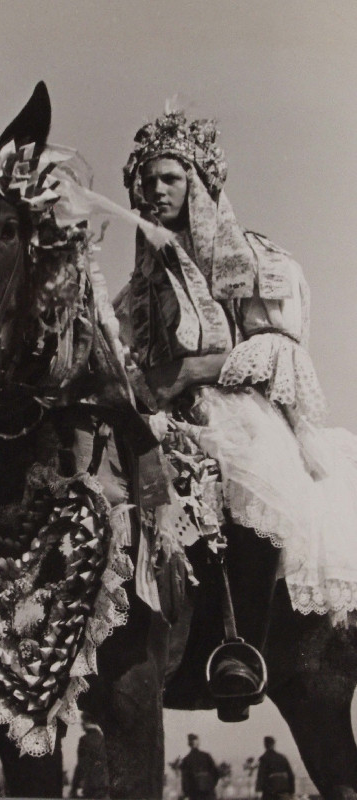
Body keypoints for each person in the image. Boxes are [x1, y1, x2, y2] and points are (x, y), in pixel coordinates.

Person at [116, 107, 357, 694]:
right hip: (161, 417)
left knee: (247, 480)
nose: (155, 190)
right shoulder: (134, 294)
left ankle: (239, 644)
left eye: (169, 178)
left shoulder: (258, 262)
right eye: (147, 181)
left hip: (238, 409)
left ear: (198, 184)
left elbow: (284, 351)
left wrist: (192, 370)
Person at [70, 712, 109, 799]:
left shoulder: (84, 740)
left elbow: (82, 764)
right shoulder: (103, 738)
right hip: (105, 784)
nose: (81, 724)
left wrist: (74, 787)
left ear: (87, 722)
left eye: (82, 721)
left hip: (90, 785)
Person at [180, 733, 219, 800]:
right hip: (208, 793)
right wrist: (210, 785)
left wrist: (187, 793)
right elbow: (216, 774)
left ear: (189, 744)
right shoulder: (206, 756)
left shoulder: (186, 760)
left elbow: (185, 781)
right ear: (198, 742)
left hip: (195, 794)